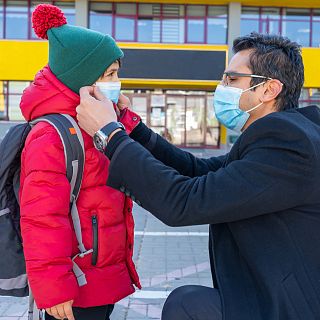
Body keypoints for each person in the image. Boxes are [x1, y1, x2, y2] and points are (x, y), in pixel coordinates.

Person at [76, 32, 320, 320]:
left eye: (231, 80)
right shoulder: (276, 137)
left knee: (186, 305)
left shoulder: (288, 144)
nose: (221, 87)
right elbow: (197, 171)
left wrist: (110, 135)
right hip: (266, 294)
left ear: (268, 90)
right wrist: (132, 128)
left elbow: (185, 201)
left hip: (288, 308)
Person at [19, 4, 140, 320]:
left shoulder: (95, 124)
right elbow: (41, 217)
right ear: (83, 78)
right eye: (110, 74)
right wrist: (54, 287)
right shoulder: (51, 134)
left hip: (102, 275)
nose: (117, 81)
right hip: (76, 285)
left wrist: (120, 120)